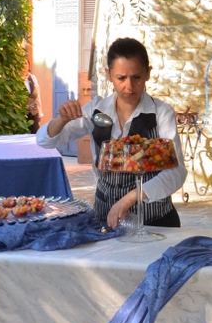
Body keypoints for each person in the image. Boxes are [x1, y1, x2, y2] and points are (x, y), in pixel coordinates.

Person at [36, 37, 187, 228]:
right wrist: (62, 119)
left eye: (136, 77)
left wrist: (132, 197)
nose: (129, 86)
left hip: (154, 222)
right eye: (121, 78)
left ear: (148, 73)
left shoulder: (161, 113)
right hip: (106, 219)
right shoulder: (96, 111)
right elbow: (45, 141)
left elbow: (176, 172)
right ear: (108, 74)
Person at [23, 62, 44, 134]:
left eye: (25, 63)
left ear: (29, 66)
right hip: (21, 114)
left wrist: (40, 113)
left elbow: (37, 96)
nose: (24, 66)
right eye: (22, 63)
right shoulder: (16, 80)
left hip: (33, 112)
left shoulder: (32, 78)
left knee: (35, 133)